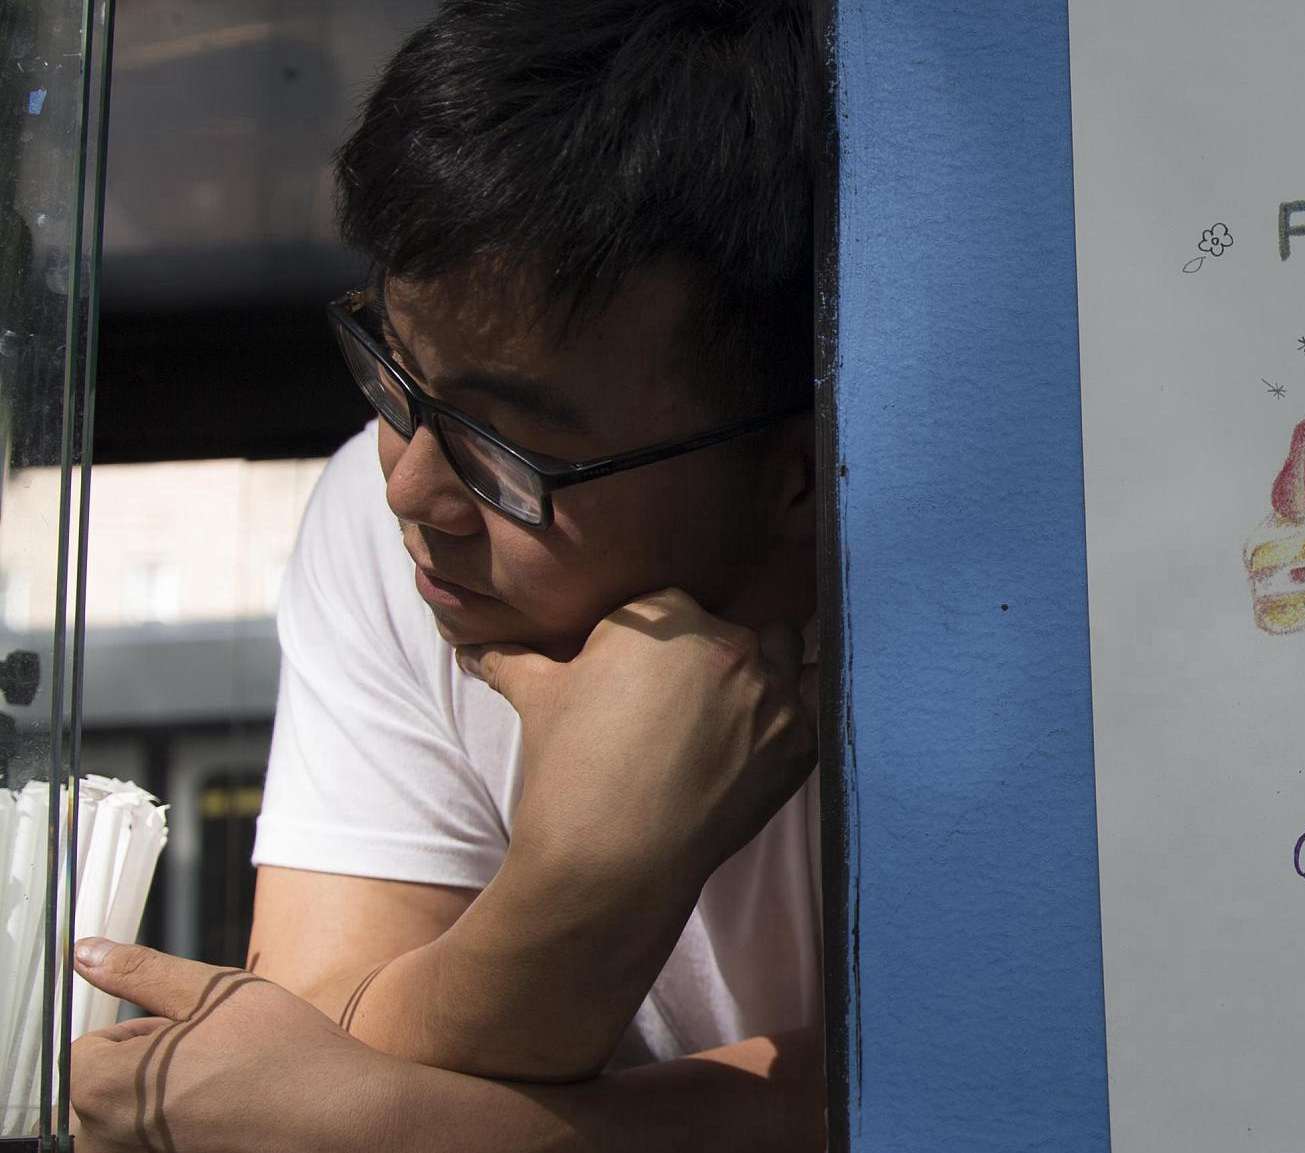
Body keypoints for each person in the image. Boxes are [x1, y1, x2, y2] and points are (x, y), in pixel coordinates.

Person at [68, 0, 827, 1148]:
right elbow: (317, 1061)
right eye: (394, 373)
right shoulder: (383, 531)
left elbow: (994, 1087)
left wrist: (583, 873)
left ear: (801, 472)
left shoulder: (1006, 624)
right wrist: (584, 885)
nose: (411, 489)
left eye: (508, 444)